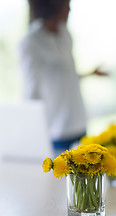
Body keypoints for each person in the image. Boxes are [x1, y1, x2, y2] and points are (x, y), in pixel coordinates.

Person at [19, 0, 107, 154]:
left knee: (84, 173)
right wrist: (31, 131)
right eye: (66, 5)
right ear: (53, 6)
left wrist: (90, 74)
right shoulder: (30, 42)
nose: (70, 9)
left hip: (78, 121)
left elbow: (67, 76)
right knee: (59, 175)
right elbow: (32, 90)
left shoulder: (65, 34)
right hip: (56, 128)